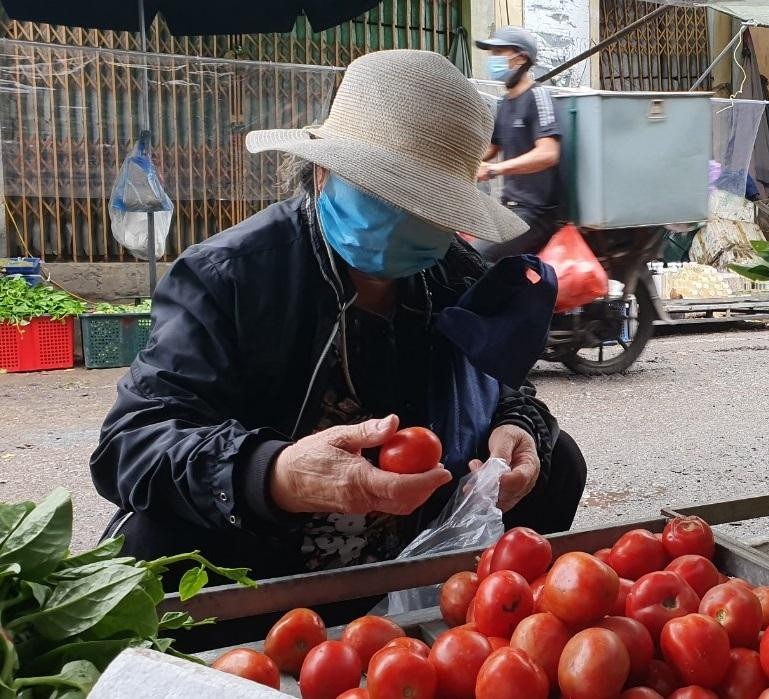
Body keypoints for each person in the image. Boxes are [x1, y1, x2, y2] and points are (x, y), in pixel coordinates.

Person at [89, 50, 586, 591]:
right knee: (156, 537)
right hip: (258, 554)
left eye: (427, 205)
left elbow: (503, 386)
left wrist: (517, 428)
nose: (404, 218)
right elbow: (131, 443)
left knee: (557, 460)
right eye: (380, 190)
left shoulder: (455, 274)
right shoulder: (227, 277)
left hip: (408, 540)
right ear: (324, 169)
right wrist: (274, 474)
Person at [474, 27, 562, 262]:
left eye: (499, 52)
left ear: (521, 58)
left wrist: (495, 169)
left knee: (478, 257)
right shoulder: (504, 103)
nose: (493, 60)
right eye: (491, 54)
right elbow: (491, 150)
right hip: (510, 208)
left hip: (536, 213)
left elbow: (548, 153)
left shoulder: (538, 96)